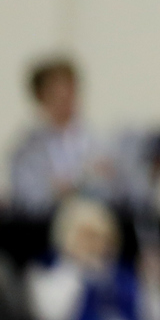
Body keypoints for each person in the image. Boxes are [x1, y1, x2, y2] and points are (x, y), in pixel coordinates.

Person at [25, 197, 160, 320]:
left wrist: (155, 286)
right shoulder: (46, 270)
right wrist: (75, 265)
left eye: (103, 235)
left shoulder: (125, 274)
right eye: (87, 235)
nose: (96, 244)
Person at [10, 59, 116, 218]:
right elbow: (25, 199)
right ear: (41, 97)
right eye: (56, 93)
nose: (65, 98)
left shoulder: (99, 142)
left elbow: (117, 193)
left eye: (70, 90)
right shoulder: (26, 151)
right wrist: (57, 190)